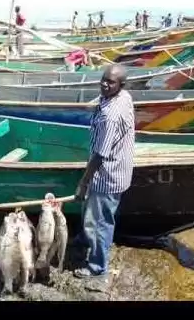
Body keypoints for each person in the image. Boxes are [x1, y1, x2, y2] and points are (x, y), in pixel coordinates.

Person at [73, 64, 135, 279]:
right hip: (119, 168)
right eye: (103, 79)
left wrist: (84, 182)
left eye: (110, 82)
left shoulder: (111, 116)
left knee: (100, 221)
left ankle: (97, 266)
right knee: (97, 212)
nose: (104, 84)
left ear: (121, 85)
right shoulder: (124, 96)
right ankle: (84, 238)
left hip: (107, 175)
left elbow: (100, 155)